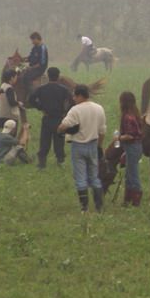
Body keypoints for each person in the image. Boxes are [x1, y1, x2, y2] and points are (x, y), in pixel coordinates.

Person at [58, 85, 107, 213]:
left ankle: (84, 208)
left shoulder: (75, 110)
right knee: (94, 176)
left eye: (74, 95)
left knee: (80, 178)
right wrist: (99, 146)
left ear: (80, 96)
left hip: (78, 146)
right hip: (93, 144)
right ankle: (99, 206)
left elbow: (63, 126)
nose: (73, 98)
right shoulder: (99, 108)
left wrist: (65, 130)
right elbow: (102, 131)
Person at [29, 67, 73, 169]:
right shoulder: (64, 89)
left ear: (48, 76)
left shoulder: (41, 89)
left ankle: (42, 164)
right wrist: (65, 112)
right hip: (59, 118)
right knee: (59, 142)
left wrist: (40, 107)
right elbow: (72, 101)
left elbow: (31, 99)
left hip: (47, 118)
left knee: (44, 141)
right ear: (58, 76)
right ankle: (60, 161)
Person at [117, 91, 144, 207]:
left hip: (132, 146)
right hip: (135, 147)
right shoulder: (135, 114)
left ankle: (136, 199)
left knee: (133, 174)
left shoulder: (127, 117)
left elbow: (130, 135)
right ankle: (128, 199)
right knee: (129, 173)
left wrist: (118, 138)